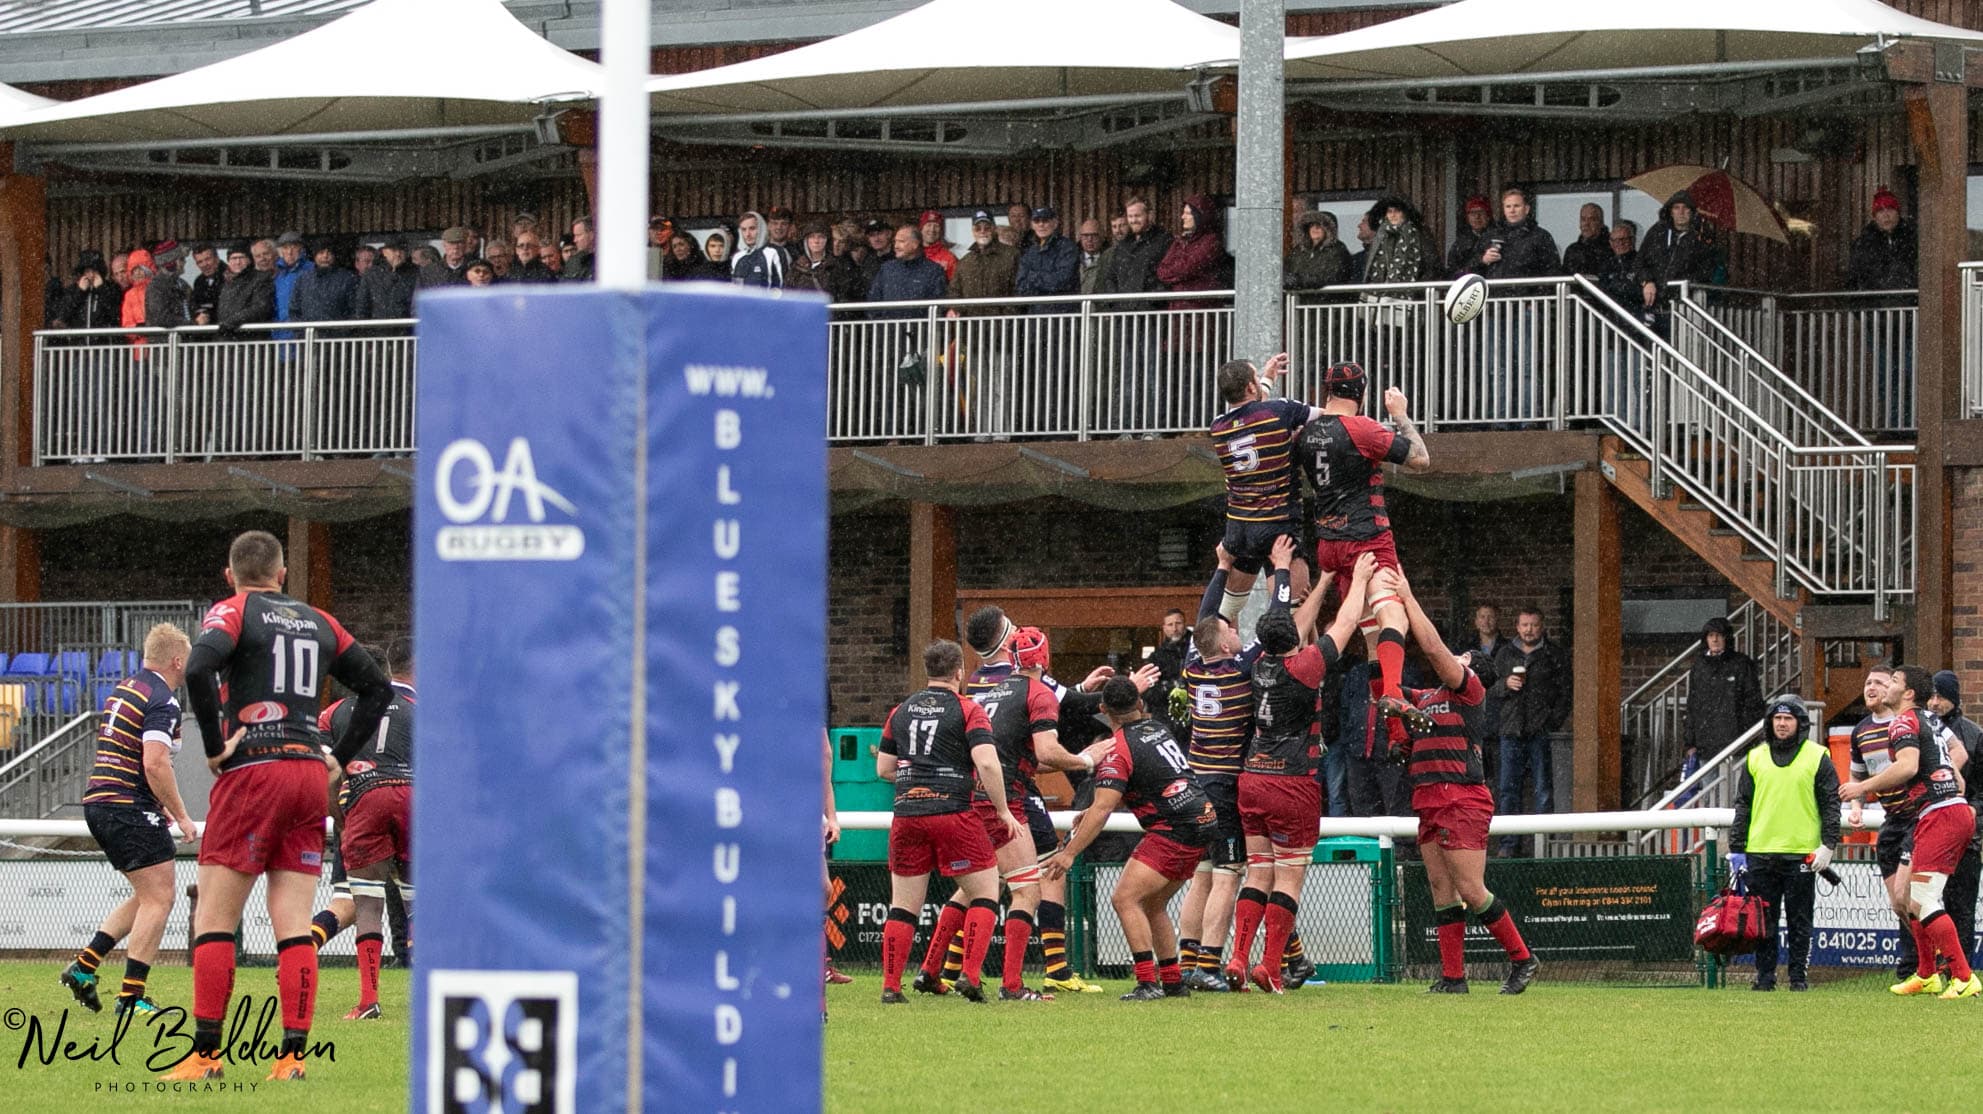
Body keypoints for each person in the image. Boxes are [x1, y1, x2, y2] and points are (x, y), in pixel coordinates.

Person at [161, 531, 393, 1082]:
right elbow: (378, 688)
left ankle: (205, 1056)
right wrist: (337, 755)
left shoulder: (233, 610)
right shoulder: (320, 621)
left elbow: (197, 669)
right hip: (310, 776)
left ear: (230, 575)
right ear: (283, 574)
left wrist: (216, 745)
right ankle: (291, 1059)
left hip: (254, 771)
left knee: (216, 916)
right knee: (292, 922)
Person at [1381, 567, 1540, 995]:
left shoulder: (1471, 692)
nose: (1458, 657)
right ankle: (1454, 977)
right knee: (1441, 888)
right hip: (1429, 798)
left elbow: (1433, 650)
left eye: (1464, 656)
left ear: (1471, 668)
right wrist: (1381, 629)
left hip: (1462, 799)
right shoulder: (1430, 697)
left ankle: (1523, 960)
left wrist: (1408, 600)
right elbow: (1392, 690)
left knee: (1471, 889)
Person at [917, 625, 1097, 1001]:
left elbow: (1011, 755)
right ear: (1044, 659)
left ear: (1013, 658)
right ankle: (1013, 985)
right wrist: (1086, 760)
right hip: (1004, 802)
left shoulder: (991, 693)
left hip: (971, 796)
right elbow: (1047, 752)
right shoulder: (1040, 693)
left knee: (976, 889)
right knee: (1027, 891)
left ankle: (932, 969)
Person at [1227, 551, 1376, 993]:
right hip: (1292, 782)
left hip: (1252, 777)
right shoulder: (1304, 667)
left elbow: (1283, 620)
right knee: (1289, 876)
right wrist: (1361, 579)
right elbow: (1344, 626)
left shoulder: (1260, 664)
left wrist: (1316, 578)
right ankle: (1270, 966)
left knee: (1258, 871)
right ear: (1292, 638)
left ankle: (1237, 957)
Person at [1043, 676, 1218, 1001]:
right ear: (1139, 704)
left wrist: (1068, 853)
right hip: (1203, 819)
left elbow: (1104, 808)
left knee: (1124, 899)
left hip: (1174, 826)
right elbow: (1148, 777)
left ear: (1103, 710)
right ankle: (1172, 981)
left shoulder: (1117, 750)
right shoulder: (1158, 729)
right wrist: (1094, 808)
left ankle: (1146, 982)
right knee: (1153, 903)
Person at [60, 624, 200, 1018]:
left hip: (100, 802)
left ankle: (85, 968)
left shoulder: (126, 689)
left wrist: (161, 806)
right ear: (177, 660)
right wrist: (182, 815)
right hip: (127, 806)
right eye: (187, 660)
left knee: (146, 896)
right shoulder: (162, 700)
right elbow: (154, 762)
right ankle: (131, 996)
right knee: (160, 897)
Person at [1295, 360, 1433, 750]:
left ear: (1326, 391)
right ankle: (1392, 692)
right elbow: (1421, 459)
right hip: (1367, 537)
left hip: (1329, 542)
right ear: (1363, 394)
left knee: (1372, 633)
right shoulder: (1363, 429)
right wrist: (1401, 416)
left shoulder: (1308, 432)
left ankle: (1395, 734)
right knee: (1394, 614)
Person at [875, 640, 1016, 1004]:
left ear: (928, 671)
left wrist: (918, 779)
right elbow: (986, 763)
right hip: (953, 812)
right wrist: (1002, 811)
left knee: (903, 905)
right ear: (958, 673)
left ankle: (891, 987)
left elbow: (884, 768)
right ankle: (970, 976)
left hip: (907, 814)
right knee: (986, 890)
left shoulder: (901, 711)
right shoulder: (968, 709)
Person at [1842, 665, 1979, 998]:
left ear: (1907, 693)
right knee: (1908, 899)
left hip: (1937, 815)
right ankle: (1927, 973)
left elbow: (1907, 767)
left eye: (1894, 681)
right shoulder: (1930, 720)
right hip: (1947, 812)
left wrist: (1861, 789)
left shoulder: (1904, 721)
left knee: (1922, 898)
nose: (1887, 685)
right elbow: (1953, 769)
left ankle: (1963, 977)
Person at [324, 636, 414, 1020]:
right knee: (418, 904)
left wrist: (340, 819)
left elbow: (327, 775)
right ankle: (427, 997)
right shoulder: (422, 708)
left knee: (367, 904)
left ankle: (368, 1001)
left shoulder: (334, 713)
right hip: (413, 796)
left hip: (365, 795)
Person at [1727, 696, 1839, 991]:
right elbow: (1743, 806)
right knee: (1764, 921)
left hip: (1802, 854)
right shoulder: (1755, 757)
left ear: (1799, 723)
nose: (1782, 723)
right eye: (1777, 718)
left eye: (1788, 719)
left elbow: (1831, 804)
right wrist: (1736, 849)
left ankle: (1798, 978)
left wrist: (1829, 844)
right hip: (1760, 852)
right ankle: (1764, 978)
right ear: (1770, 722)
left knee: (1800, 921)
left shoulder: (1817, 757)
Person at [1205, 353, 1324, 621]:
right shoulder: (1280, 411)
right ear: (1250, 387)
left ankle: (1207, 654)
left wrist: (1267, 377)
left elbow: (1250, 412)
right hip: (1277, 524)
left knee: (1226, 612)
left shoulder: (1218, 427)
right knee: (1293, 614)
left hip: (1240, 529)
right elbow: (1331, 416)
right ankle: (1279, 660)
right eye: (1255, 378)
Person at [1845, 667, 1922, 977]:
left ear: (1894, 688)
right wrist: (1856, 806)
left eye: (1878, 682)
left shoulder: (1908, 724)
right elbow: (1857, 774)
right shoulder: (1861, 731)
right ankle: (1914, 961)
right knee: (1898, 904)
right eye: (1866, 683)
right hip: (1891, 818)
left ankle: (1927, 962)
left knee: (1912, 897)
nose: (1871, 687)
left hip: (1918, 816)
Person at [1489, 607, 1571, 854]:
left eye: (1534, 625)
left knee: (1543, 789)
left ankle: (1541, 845)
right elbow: (1488, 688)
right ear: (1517, 626)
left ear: (1542, 626)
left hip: (1540, 731)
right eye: (1525, 625)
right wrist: (1505, 684)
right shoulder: (1504, 654)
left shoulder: (1553, 654)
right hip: (1510, 731)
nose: (1529, 630)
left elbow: (1565, 693)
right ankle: (1508, 845)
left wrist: (1550, 721)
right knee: (1507, 790)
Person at [1927, 670, 1983, 966]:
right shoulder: (1921, 731)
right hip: (1929, 833)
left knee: (1961, 909)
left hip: (1965, 838)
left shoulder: (1973, 736)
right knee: (1927, 906)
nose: (1935, 703)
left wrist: (1974, 814)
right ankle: (1927, 969)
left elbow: (1981, 790)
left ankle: (1960, 971)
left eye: (1941, 697)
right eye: (1932, 696)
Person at [1634, 190, 1717, 336]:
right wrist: (1647, 281)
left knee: (1679, 352)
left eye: (1686, 208)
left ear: (1692, 212)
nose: (1681, 212)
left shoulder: (1701, 238)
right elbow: (1640, 262)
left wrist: (1681, 287)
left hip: (1683, 310)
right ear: (1670, 211)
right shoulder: (1657, 232)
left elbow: (1706, 271)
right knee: (1649, 351)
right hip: (1652, 307)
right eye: (1676, 208)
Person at [1683, 616, 1763, 766]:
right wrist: (1690, 742)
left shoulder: (1741, 664)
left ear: (1727, 638)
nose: (1715, 640)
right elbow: (1692, 705)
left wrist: (1746, 735)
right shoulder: (1699, 667)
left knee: (1734, 788)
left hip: (1736, 744)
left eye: (1719, 635)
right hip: (1705, 743)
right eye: (1711, 635)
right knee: (1709, 789)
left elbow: (1753, 702)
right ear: (1705, 639)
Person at [1845, 188, 1917, 291]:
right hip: (1873, 304)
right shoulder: (1863, 244)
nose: (1886, 215)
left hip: (1907, 303)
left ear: (1898, 213)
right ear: (1874, 217)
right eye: (1880, 210)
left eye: (1890, 209)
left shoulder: (1913, 240)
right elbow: (1853, 280)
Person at [1015, 206, 1079, 310]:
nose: (1041, 224)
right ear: (1032, 225)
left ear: (1055, 223)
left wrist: (1033, 278)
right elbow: (1021, 286)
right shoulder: (1030, 251)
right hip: (1035, 314)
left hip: (1062, 313)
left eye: (1045, 221)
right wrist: (1044, 281)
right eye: (1037, 221)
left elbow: (1063, 281)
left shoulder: (1067, 247)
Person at [1284, 210, 1351, 293]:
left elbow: (1330, 277)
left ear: (1329, 229)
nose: (1315, 228)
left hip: (1326, 302)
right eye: (1312, 224)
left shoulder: (1338, 250)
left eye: (1320, 225)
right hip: (1299, 302)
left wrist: (1299, 281)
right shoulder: (1298, 250)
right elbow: (1285, 271)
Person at [730, 211, 787, 289]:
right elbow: (735, 288)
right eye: (743, 229)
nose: (747, 234)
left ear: (761, 228)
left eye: (752, 228)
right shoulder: (737, 256)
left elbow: (782, 287)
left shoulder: (774, 252)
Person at [1445, 195, 1492, 279]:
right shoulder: (1460, 244)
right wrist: (1480, 261)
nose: (1477, 217)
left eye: (1481, 212)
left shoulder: (1497, 238)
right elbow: (1453, 272)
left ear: (1488, 216)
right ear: (1467, 217)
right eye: (1473, 213)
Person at [1561, 203, 1609, 277]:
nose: (1586, 224)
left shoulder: (1612, 248)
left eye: (1592, 219)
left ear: (1601, 223)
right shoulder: (1572, 250)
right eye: (1583, 219)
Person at [918, 209, 959, 281]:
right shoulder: (912, 253)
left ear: (941, 231)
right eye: (928, 225)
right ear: (921, 228)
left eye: (936, 226)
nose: (932, 230)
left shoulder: (949, 258)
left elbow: (955, 287)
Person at [564, 216, 596, 282]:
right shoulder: (572, 262)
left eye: (578, 235)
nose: (575, 240)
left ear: (591, 235)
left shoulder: (605, 261)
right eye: (574, 236)